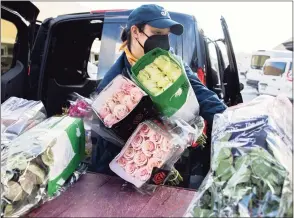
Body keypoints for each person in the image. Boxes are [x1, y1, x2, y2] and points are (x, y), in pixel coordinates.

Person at [93, 4, 227, 174]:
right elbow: (108, 139)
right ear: (135, 32)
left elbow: (201, 93)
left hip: (170, 164)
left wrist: (228, 120)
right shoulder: (114, 81)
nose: (164, 41)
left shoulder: (171, 62)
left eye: (166, 35)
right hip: (125, 170)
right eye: (157, 33)